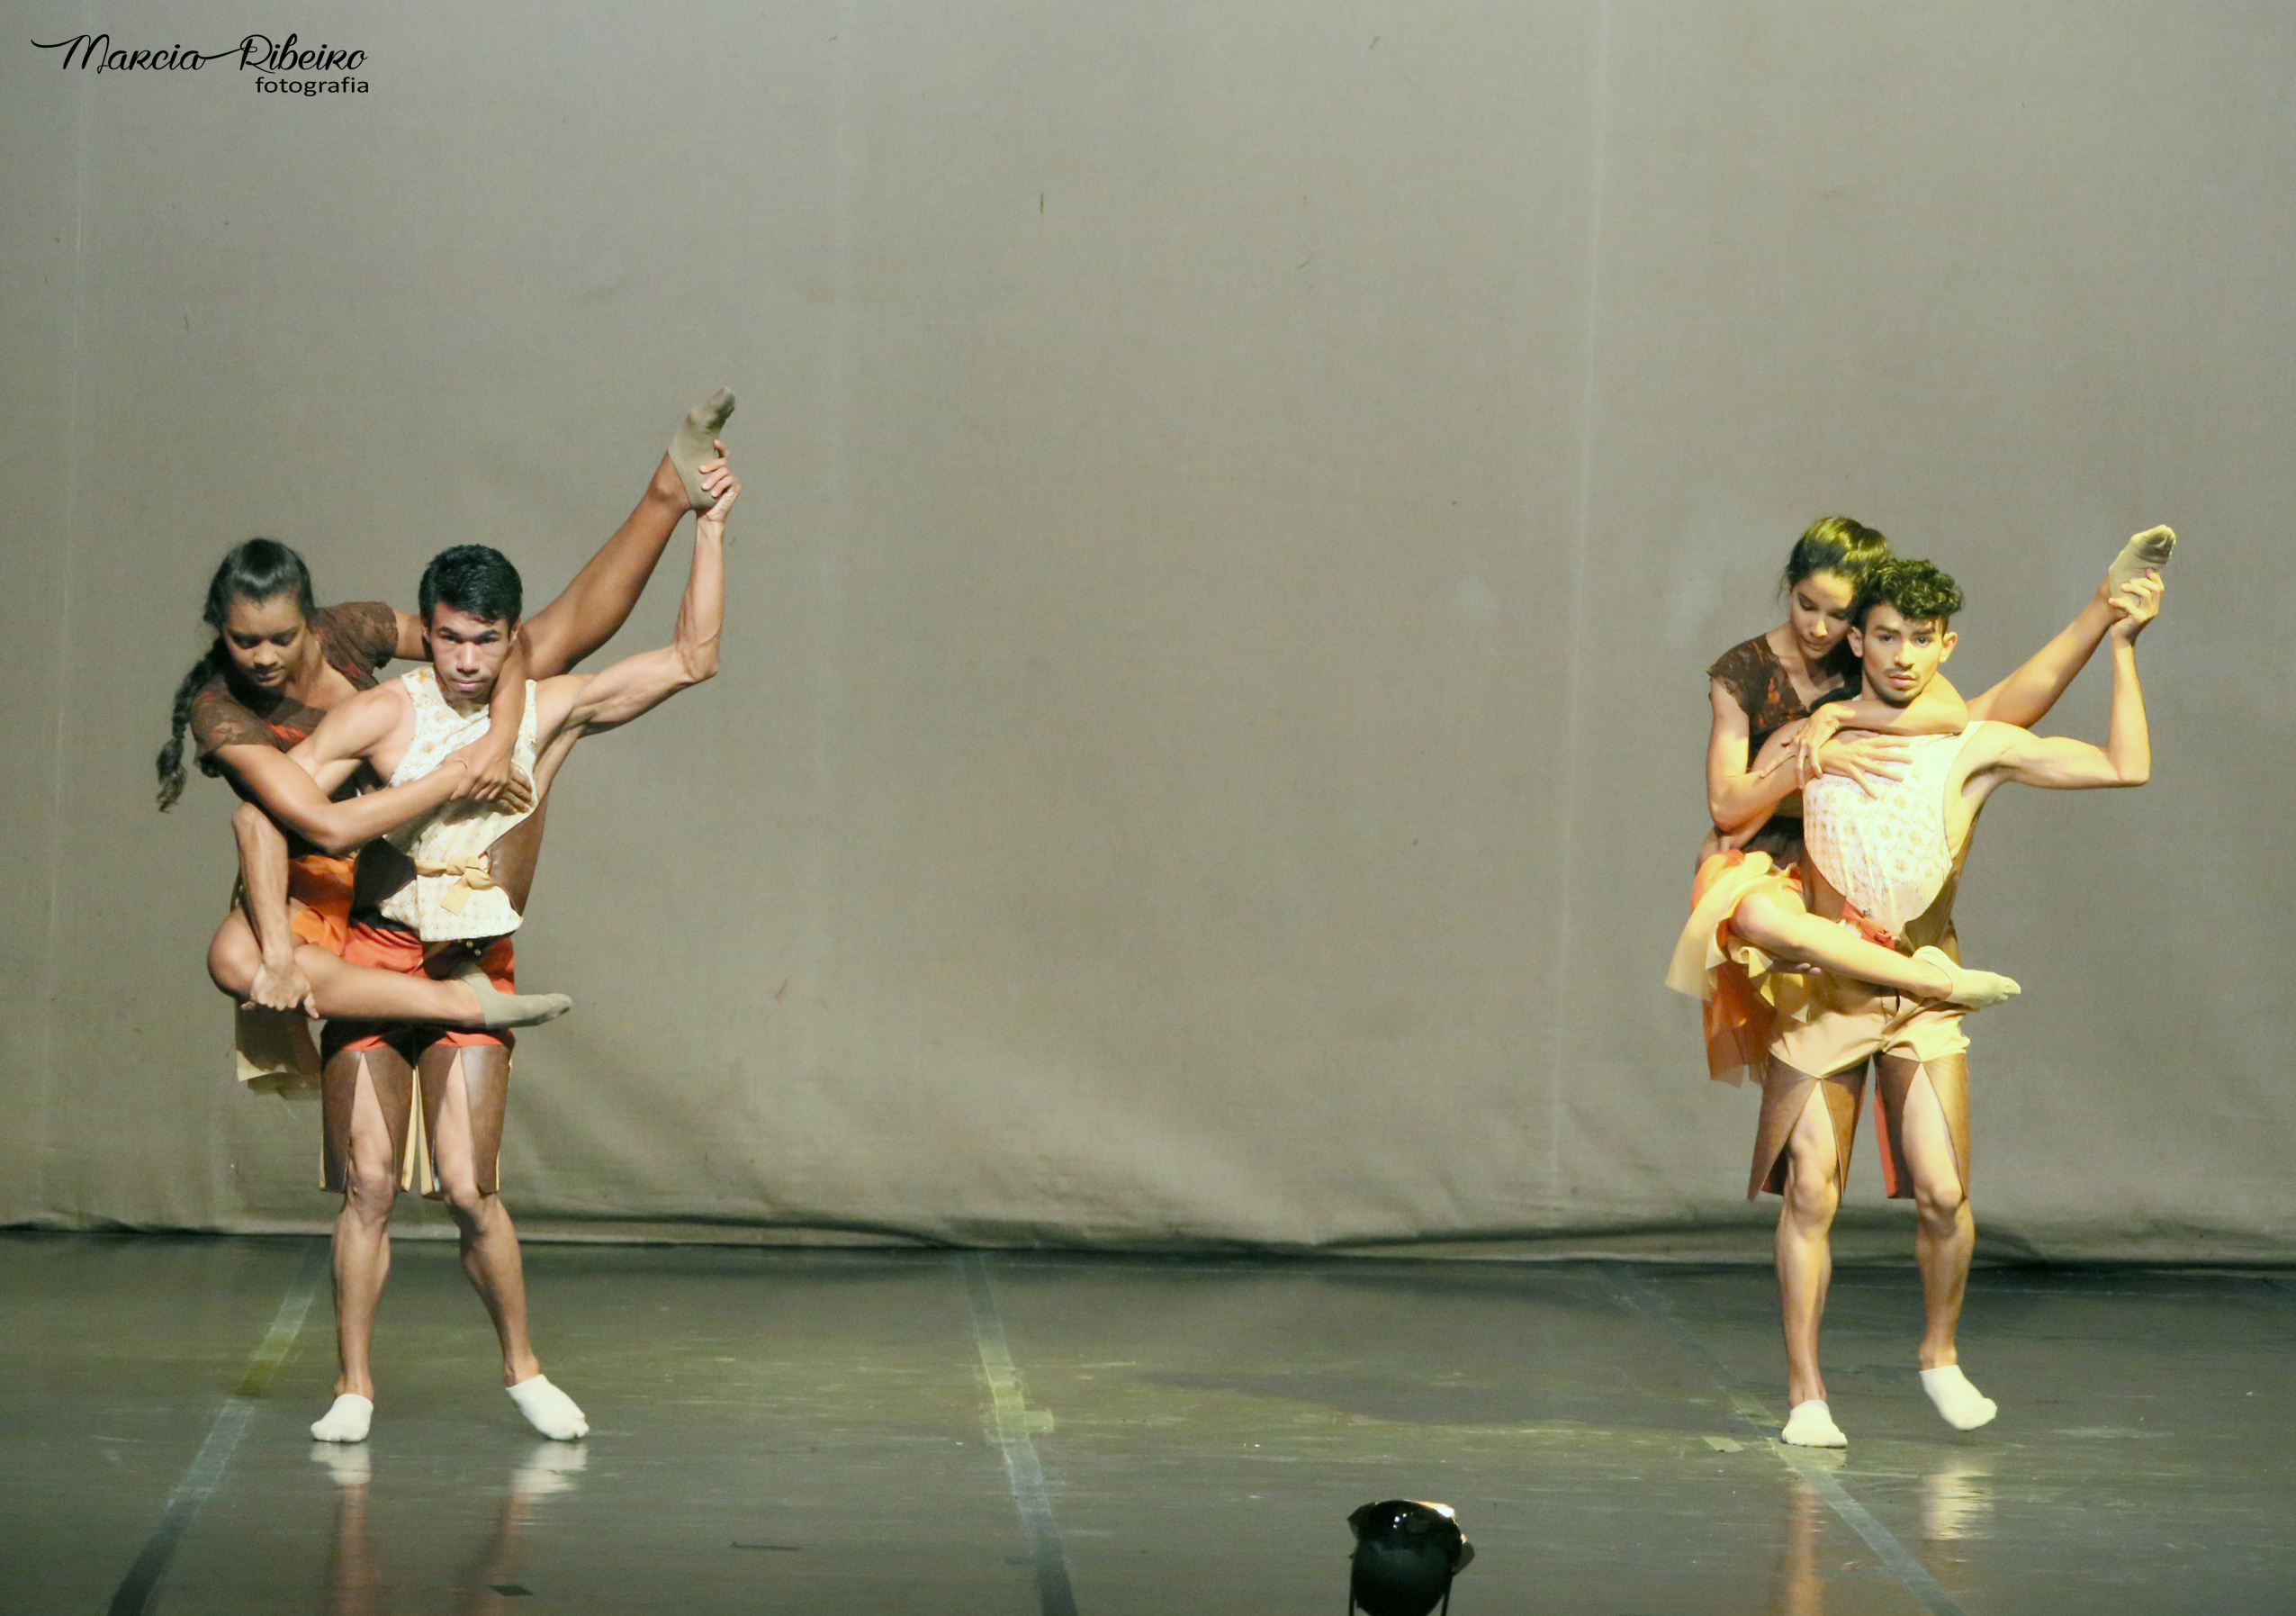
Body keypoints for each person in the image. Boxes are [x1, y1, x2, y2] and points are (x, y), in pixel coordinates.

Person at [280, 451, 738, 1445]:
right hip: (373, 958)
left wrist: (709, 528)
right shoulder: (384, 713)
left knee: (468, 1185)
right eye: (449, 637)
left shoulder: (543, 708)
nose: (466, 659)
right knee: (367, 1184)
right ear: (429, 629)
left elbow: (691, 658)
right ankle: (353, 1386)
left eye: (485, 640)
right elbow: (284, 800)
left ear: (510, 637)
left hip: (473, 969)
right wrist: (273, 936)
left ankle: (524, 1369)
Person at [156, 391, 738, 1083]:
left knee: (538, 647)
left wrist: (498, 739)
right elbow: (308, 824)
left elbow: (476, 638)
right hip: (318, 862)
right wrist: (454, 775)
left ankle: (668, 493)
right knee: (235, 959)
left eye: (281, 637)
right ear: (220, 632)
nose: (263, 657)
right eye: (243, 640)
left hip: (413, 817)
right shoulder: (222, 710)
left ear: (309, 619)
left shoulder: (354, 630)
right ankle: (456, 1004)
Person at [1756, 552, 2164, 1449]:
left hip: (1925, 993)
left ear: (1947, 645)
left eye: (1920, 639)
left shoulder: (1971, 744)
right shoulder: (1809, 734)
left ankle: (1938, 1356)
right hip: (1824, 995)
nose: (1901, 655)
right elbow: (1730, 804)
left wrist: (2122, 643)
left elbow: (2123, 765)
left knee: (1943, 1192)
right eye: (1885, 636)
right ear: (1856, 640)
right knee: (1811, 1194)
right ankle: (1806, 1394)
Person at [1670, 518, 2177, 1082]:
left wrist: (1837, 712)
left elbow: (1956, 715)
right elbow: (1727, 807)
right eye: (1806, 605)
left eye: (1838, 614)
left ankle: (2103, 605)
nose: (1818, 627)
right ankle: (1932, 981)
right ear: (1789, 586)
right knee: (1761, 917)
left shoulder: (1872, 646)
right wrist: (1815, 759)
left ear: (1859, 620)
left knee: (1986, 722)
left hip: (1852, 826)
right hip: (1771, 836)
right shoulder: (1743, 672)